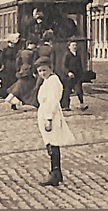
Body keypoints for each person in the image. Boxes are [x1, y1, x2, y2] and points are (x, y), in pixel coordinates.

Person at [34, 57, 76, 187]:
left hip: (50, 115)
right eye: (40, 71)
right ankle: (56, 173)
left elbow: (52, 101)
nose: (42, 73)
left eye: (44, 70)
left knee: (53, 144)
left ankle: (55, 173)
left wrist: (49, 118)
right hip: (45, 114)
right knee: (50, 144)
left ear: (50, 68)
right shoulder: (47, 81)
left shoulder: (53, 81)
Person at [6, 41, 38, 110]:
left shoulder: (21, 52)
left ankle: (15, 100)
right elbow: (33, 63)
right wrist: (33, 72)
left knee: (21, 85)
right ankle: (21, 101)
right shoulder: (32, 53)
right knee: (27, 86)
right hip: (28, 71)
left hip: (22, 70)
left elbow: (18, 62)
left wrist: (19, 69)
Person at [60, 41, 87, 111]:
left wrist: (81, 74)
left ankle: (82, 104)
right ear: (69, 47)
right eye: (73, 45)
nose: (75, 47)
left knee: (79, 90)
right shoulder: (67, 55)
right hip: (69, 76)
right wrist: (68, 72)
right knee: (67, 91)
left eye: (75, 45)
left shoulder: (78, 55)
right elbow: (64, 66)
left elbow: (80, 66)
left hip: (77, 76)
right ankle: (66, 106)